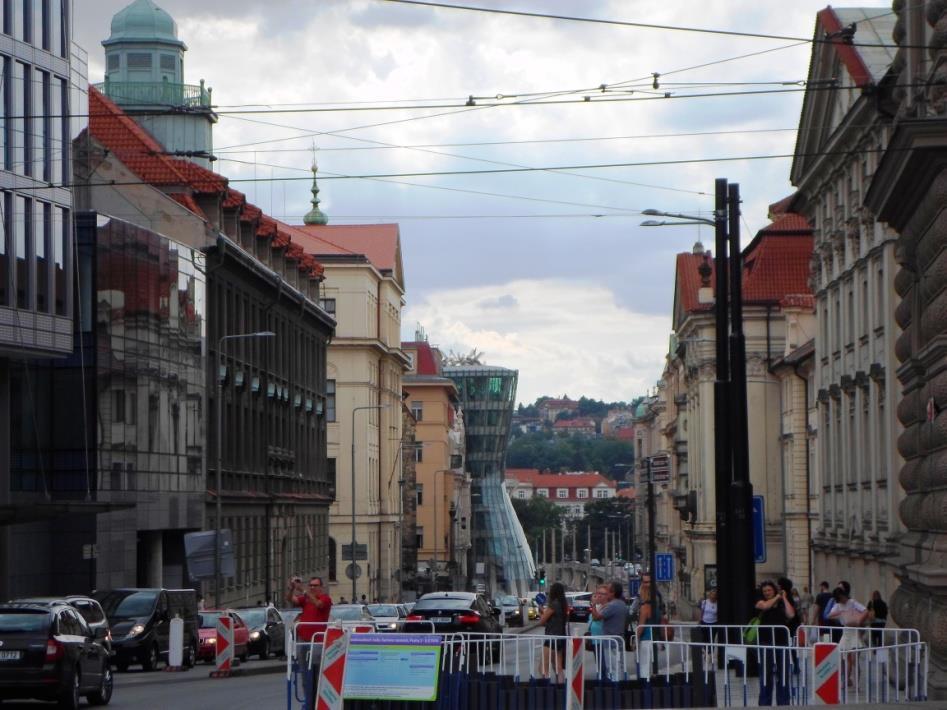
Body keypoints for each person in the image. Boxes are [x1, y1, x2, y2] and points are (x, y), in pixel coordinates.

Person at [285, 576, 333, 710]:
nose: (312, 587)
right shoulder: (306, 599)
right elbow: (291, 600)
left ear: (321, 587)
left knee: (316, 672)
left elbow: (319, 605)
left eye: (315, 585)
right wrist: (292, 589)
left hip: (317, 640)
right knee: (305, 673)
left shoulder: (325, 598)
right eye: (310, 585)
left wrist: (305, 591)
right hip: (303, 639)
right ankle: (308, 702)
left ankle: (317, 702)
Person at [755, 580, 795, 706]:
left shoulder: (782, 602)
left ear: (774, 590)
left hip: (781, 642)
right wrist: (777, 596)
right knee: (766, 675)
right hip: (766, 642)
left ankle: (783, 702)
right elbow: (765, 606)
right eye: (765, 591)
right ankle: (765, 703)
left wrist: (783, 598)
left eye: (769, 590)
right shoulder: (760, 602)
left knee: (783, 675)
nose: (767, 593)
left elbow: (791, 614)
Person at [827, 586, 868, 686]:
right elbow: (829, 615)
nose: (840, 600)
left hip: (854, 631)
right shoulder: (838, 605)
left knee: (854, 659)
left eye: (840, 598)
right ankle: (846, 679)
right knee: (845, 657)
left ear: (843, 595)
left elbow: (865, 610)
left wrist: (859, 620)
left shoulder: (852, 602)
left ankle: (855, 679)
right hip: (846, 631)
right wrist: (841, 613)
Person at [590, 581, 626, 680]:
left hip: (611, 642)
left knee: (612, 669)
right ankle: (619, 687)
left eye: (607, 592)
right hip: (617, 640)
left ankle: (615, 690)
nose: (605, 595)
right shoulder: (622, 604)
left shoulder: (612, 606)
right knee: (619, 667)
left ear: (612, 593)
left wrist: (593, 604)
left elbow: (596, 617)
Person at [539, 582, 568, 682]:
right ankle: (561, 687)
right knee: (558, 667)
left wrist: (542, 613)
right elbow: (555, 619)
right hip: (560, 637)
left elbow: (542, 621)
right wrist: (544, 612)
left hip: (551, 638)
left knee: (543, 666)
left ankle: (546, 687)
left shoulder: (553, 604)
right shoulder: (563, 604)